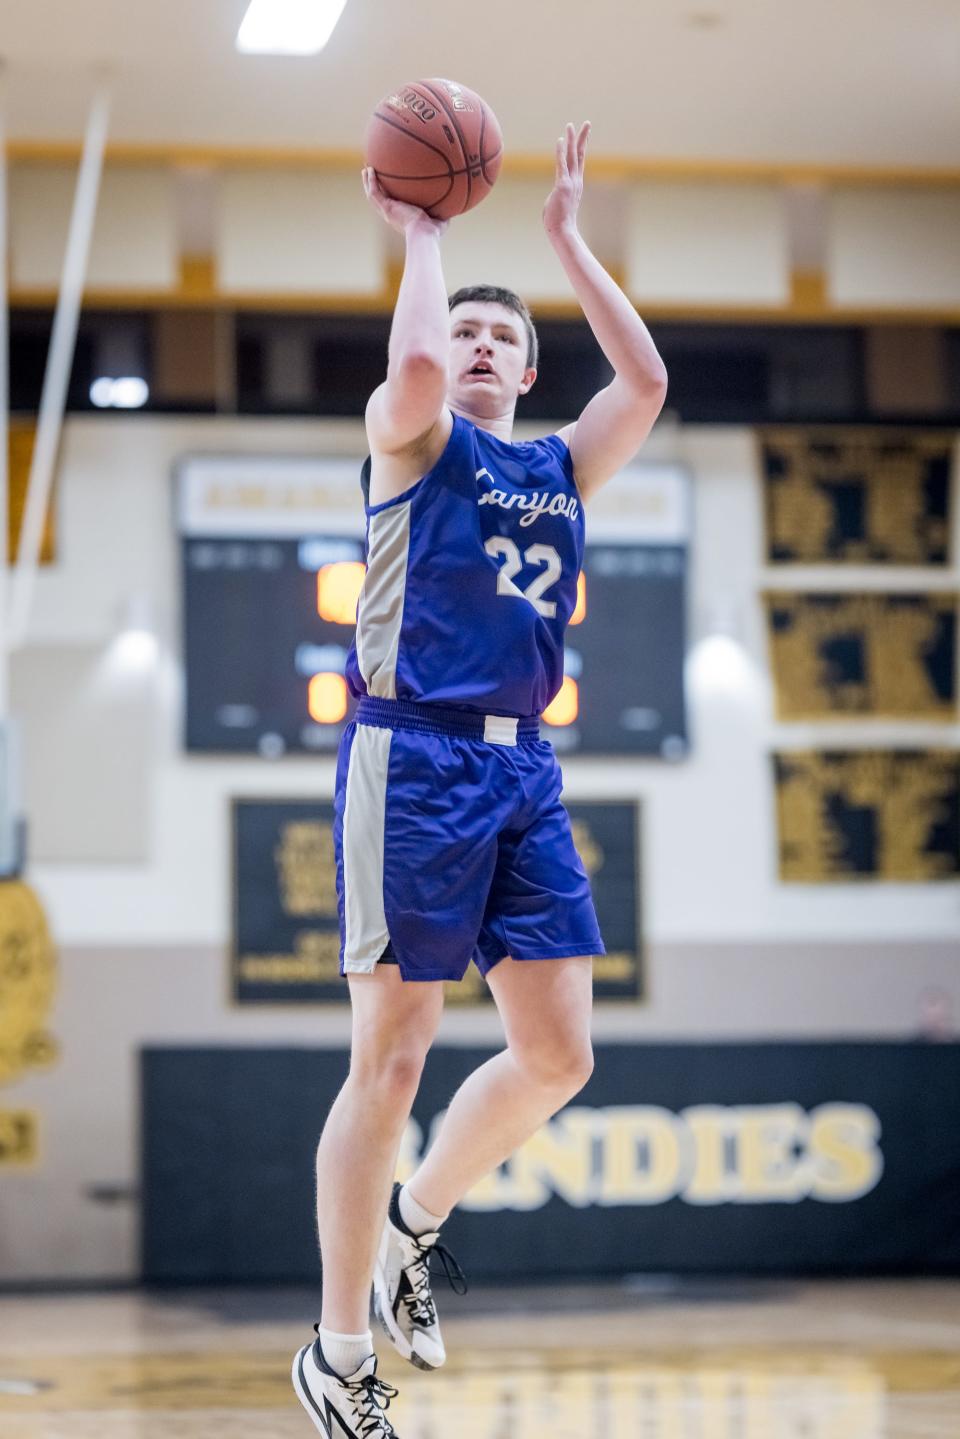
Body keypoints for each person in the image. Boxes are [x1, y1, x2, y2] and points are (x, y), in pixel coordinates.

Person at [292, 122, 667, 1438]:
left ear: (528, 367)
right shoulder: (412, 440)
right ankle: (338, 1356)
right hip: (412, 755)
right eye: (466, 334)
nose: (482, 347)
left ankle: (419, 1217)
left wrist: (566, 239)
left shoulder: (562, 467)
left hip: (524, 769)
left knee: (558, 1053)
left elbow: (647, 379)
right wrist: (425, 236)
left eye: (505, 338)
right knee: (389, 1060)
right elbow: (406, 361)